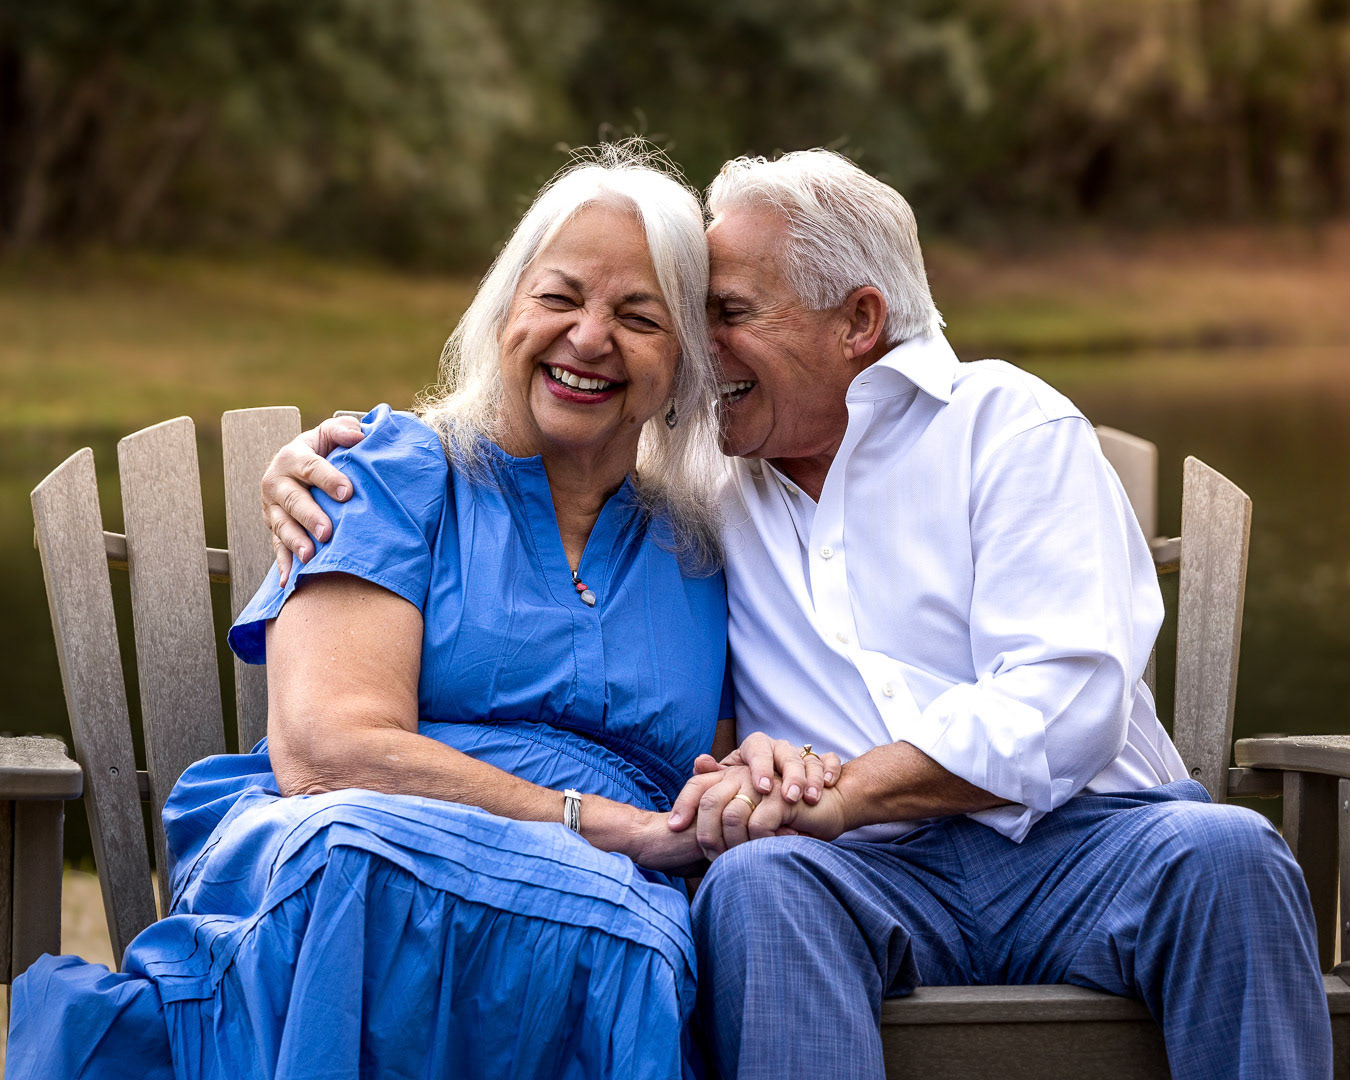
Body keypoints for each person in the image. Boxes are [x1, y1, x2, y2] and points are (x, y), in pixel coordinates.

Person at [263, 149, 1332, 1080]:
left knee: (1229, 851)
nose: (700, 351)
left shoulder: (1008, 429)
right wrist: (313, 457)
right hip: (855, 875)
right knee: (762, 885)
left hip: (1083, 845)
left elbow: (1068, 700)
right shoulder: (709, 487)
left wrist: (847, 791)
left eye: (723, 314)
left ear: (858, 320)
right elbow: (539, 437)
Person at [6, 144, 741, 1080]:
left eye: (639, 317)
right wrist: (591, 821)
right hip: (369, 839)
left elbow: (712, 775)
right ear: (505, 311)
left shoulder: (702, 548)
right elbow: (329, 753)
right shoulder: (395, 473)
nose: (590, 338)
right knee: (365, 859)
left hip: (608, 908)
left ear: (683, 366)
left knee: (633, 937)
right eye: (559, 298)